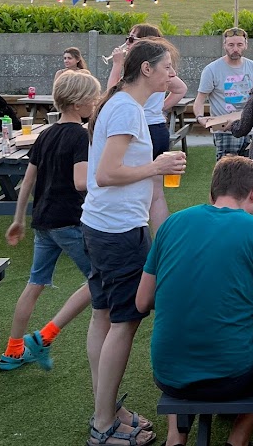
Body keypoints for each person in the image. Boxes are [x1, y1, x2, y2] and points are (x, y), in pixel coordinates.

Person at [136, 156, 253, 446]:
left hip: (167, 374)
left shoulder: (172, 224)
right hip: (229, 377)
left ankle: (176, 437)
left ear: (211, 194)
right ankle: (238, 437)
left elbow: (142, 301)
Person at [82, 39, 187, 446]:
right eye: (168, 68)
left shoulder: (128, 106)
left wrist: (164, 238)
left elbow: (147, 189)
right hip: (116, 231)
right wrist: (156, 165)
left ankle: (105, 409)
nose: (171, 76)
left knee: (103, 316)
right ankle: (104, 424)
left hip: (105, 225)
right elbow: (107, 173)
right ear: (146, 69)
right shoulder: (126, 107)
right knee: (124, 321)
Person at [0, 71, 102, 372]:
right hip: (69, 222)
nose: (96, 104)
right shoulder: (81, 136)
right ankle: (44, 336)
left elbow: (27, 182)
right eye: (94, 100)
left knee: (35, 284)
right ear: (80, 103)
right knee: (100, 276)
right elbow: (81, 182)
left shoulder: (45, 134)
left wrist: (19, 218)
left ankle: (13, 350)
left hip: (43, 221)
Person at [109, 24, 188, 158]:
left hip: (146, 126)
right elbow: (181, 89)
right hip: (156, 126)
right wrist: (159, 109)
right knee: (155, 174)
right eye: (127, 38)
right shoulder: (148, 67)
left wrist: (117, 65)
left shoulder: (147, 68)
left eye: (132, 39)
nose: (126, 43)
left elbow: (112, 94)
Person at [193, 27, 253, 160]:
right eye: (231, 45)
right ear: (224, 45)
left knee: (252, 171)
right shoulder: (212, 69)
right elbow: (200, 99)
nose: (235, 49)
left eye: (239, 45)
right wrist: (200, 118)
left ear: (246, 45)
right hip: (225, 130)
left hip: (249, 127)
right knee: (227, 172)